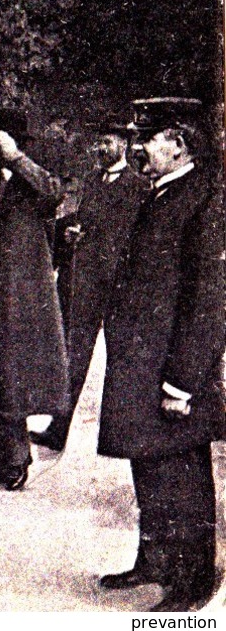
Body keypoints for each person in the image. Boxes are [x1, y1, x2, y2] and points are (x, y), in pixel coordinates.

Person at [96, 97, 223, 612]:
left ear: (178, 143)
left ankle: (194, 585)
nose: (138, 148)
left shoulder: (204, 198)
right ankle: (154, 560)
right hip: (141, 363)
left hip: (170, 370)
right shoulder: (163, 192)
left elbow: (210, 299)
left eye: (147, 138)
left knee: (181, 476)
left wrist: (184, 381)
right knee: (148, 464)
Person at [32, 118, 149, 452]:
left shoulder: (138, 186)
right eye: (99, 143)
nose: (101, 148)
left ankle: (129, 432)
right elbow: (85, 220)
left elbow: (133, 236)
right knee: (74, 355)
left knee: (124, 357)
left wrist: (95, 238)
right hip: (84, 283)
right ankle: (58, 429)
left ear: (124, 145)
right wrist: (71, 234)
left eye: (108, 142)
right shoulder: (92, 180)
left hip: (119, 286)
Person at [0, 105, 70, 492]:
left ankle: (14, 463)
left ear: (9, 143)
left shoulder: (30, 184)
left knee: (9, 380)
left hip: (20, 301)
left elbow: (54, 193)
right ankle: (5, 461)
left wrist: (15, 156)